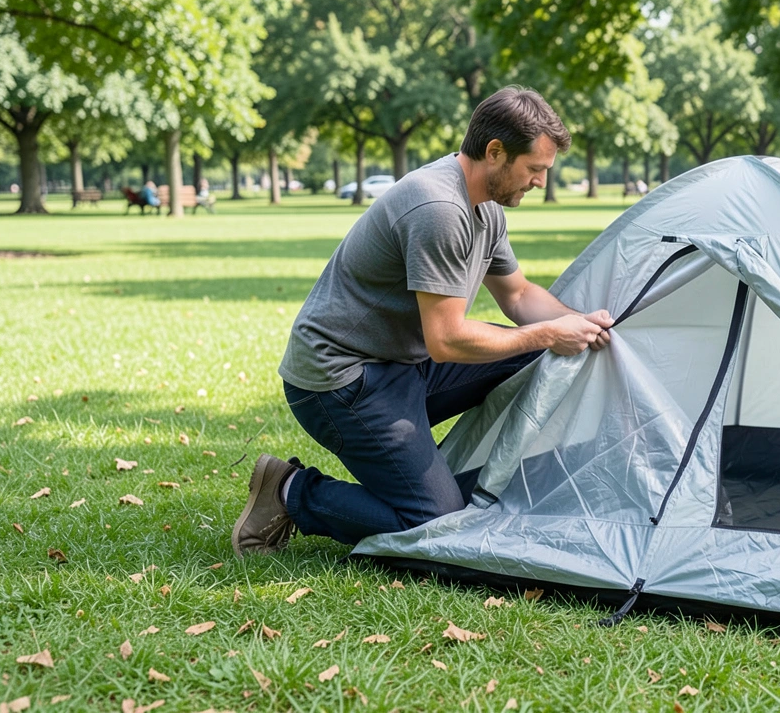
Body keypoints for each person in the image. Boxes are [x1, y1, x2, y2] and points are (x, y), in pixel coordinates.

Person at [232, 86, 613, 556]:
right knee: (432, 520)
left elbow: (518, 296)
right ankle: (289, 491)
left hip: (401, 366)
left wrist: (587, 326)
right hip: (340, 383)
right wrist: (549, 333)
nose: (540, 182)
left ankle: (498, 481)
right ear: (495, 152)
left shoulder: (486, 207)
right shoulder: (439, 209)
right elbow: (448, 340)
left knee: (537, 352)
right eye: (534, 169)